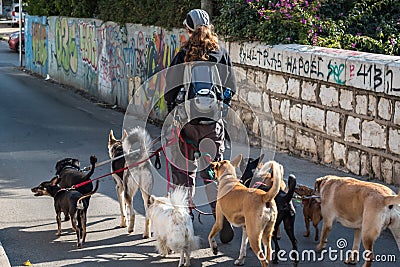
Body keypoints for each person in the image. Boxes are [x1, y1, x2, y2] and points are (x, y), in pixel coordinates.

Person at [164, 9, 236, 243]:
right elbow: (231, 87)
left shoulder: (183, 54)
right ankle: (222, 218)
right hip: (212, 124)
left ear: (188, 30)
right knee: (214, 174)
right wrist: (220, 107)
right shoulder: (221, 53)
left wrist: (170, 112)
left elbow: (170, 89)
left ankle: (187, 220)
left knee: (184, 174)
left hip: (186, 125)